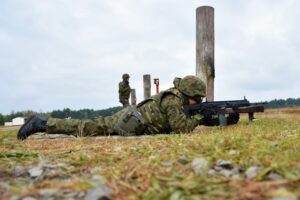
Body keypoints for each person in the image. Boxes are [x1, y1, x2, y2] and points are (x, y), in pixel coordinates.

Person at [17, 75, 206, 140]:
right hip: (127, 123)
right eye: (197, 99)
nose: (197, 102)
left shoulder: (176, 97)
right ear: (188, 94)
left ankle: (43, 123)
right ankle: (41, 123)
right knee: (87, 127)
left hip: (132, 120)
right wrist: (200, 118)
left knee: (91, 125)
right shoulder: (173, 99)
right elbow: (181, 128)